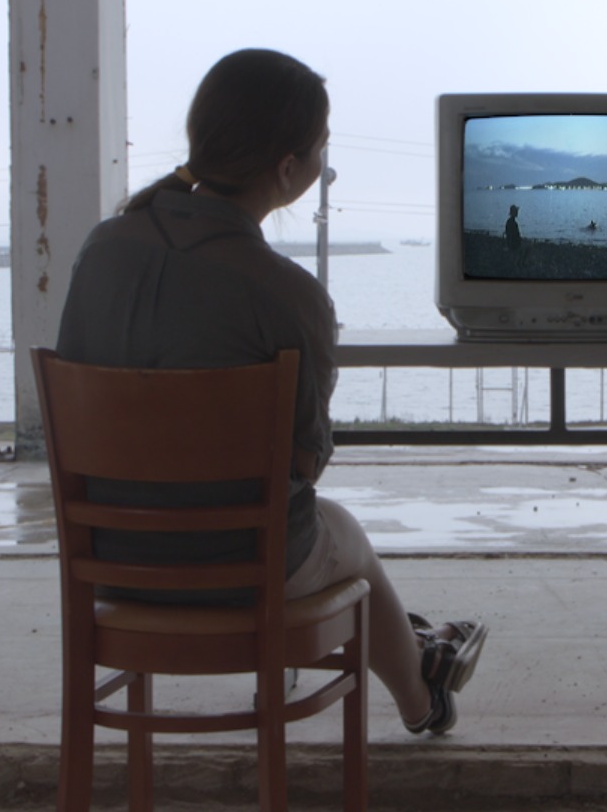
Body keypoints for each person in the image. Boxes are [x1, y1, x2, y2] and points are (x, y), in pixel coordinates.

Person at [56, 48, 488, 737]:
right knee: (345, 536)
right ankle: (422, 697)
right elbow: (305, 465)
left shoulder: (99, 250)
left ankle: (421, 660)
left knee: (324, 533)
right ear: (288, 170)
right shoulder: (287, 293)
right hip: (242, 572)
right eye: (321, 148)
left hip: (107, 563)